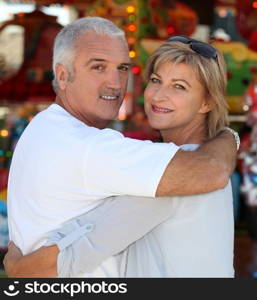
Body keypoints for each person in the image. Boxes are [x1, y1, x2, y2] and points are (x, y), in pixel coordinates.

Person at [5, 17, 238, 277]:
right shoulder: (90, 147)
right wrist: (229, 136)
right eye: (156, 80)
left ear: (207, 102)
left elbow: (66, 259)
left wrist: (16, 267)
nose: (116, 83)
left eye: (179, 87)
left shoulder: (180, 173)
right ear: (62, 75)